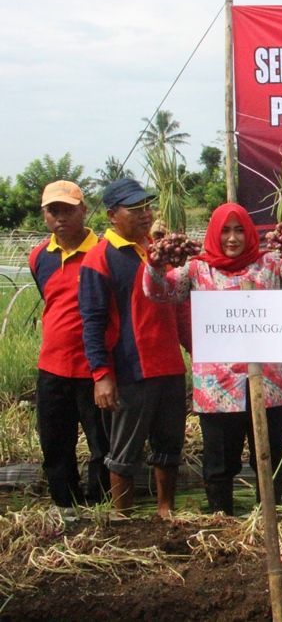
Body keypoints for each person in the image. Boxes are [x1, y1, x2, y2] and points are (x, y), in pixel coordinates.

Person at [143, 203, 282, 514]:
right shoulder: (197, 270)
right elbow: (159, 292)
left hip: (271, 385)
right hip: (219, 389)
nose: (233, 238)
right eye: (225, 231)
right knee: (219, 462)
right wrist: (156, 261)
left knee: (270, 456)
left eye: (239, 230)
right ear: (214, 233)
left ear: (249, 232)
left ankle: (268, 517)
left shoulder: (270, 264)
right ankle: (221, 520)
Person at [79, 178, 188, 517]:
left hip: (170, 364)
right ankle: (123, 518)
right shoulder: (99, 257)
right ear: (112, 215)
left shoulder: (160, 250)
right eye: (134, 209)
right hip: (130, 368)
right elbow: (92, 321)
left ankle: (165, 512)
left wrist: (195, 350)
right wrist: (101, 375)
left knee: (168, 445)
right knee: (124, 450)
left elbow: (180, 306)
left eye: (147, 207)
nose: (145, 214)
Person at [28, 181, 110, 510]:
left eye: (68, 210)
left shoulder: (104, 252)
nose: (61, 217)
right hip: (52, 368)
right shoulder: (39, 257)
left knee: (102, 445)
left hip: (95, 370)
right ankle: (66, 507)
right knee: (55, 444)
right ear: (45, 215)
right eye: (54, 211)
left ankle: (101, 507)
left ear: (83, 210)